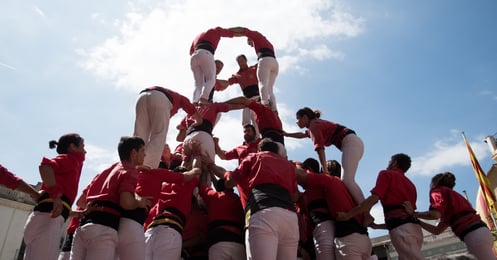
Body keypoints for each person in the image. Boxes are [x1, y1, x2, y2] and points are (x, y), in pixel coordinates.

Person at [70, 136, 151, 260]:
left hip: (83, 228)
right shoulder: (130, 172)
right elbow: (126, 202)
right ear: (134, 153)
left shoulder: (104, 172)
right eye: (142, 151)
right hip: (104, 229)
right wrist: (139, 202)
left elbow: (81, 201)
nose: (145, 155)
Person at [336, 153, 424, 260]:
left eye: (390, 161)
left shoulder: (387, 174)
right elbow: (404, 217)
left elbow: (374, 198)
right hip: (415, 230)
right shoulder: (411, 185)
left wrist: (348, 215)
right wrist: (377, 226)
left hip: (402, 231)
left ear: (394, 163)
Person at [224, 138, 299, 260]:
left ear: (260, 149)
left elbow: (230, 182)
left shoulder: (254, 157)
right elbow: (295, 196)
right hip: (289, 217)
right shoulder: (289, 166)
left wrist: (227, 176)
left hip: (263, 211)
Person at [23, 133, 86, 260]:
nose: (85, 151)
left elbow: (60, 204)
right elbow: (45, 166)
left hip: (45, 218)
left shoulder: (71, 164)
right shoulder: (71, 160)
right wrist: (56, 195)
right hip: (48, 220)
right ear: (72, 147)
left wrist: (78, 214)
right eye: (82, 146)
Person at [285, 107, 365, 205]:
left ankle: (364, 210)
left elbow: (320, 149)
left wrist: (325, 171)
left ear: (305, 117)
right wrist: (287, 134)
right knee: (346, 181)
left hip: (350, 143)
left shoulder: (314, 125)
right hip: (352, 143)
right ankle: (360, 208)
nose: (297, 122)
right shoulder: (314, 125)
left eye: (298, 118)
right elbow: (302, 134)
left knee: (347, 180)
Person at [296, 160, 371, 260]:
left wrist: (286, 161)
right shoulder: (346, 186)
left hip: (345, 237)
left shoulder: (327, 181)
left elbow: (303, 175)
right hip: (363, 238)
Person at [410, 172, 496, 259]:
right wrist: (418, 221)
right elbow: (437, 230)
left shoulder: (437, 191)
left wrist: (414, 214)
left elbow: (435, 214)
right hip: (481, 232)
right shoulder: (453, 198)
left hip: (473, 235)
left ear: (434, 183)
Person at [134, 86, 202, 169]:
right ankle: (147, 168)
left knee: (139, 136)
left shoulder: (169, 97)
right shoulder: (178, 98)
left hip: (142, 97)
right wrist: (199, 120)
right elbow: (186, 103)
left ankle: (132, 164)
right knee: (158, 135)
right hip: (161, 98)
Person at [144, 163, 202, 260]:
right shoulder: (187, 184)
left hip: (150, 232)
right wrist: (197, 153)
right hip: (170, 231)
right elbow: (197, 170)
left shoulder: (164, 188)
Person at [190, 27, 243, 104]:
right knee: (211, 79)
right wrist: (245, 33)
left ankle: (195, 101)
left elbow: (191, 52)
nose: (218, 69)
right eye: (217, 67)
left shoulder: (197, 37)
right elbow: (231, 32)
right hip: (206, 52)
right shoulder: (215, 31)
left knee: (198, 83)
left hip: (194, 57)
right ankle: (204, 99)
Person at [199, 176, 246, 260]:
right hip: (240, 245)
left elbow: (202, 186)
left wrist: (208, 171)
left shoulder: (214, 196)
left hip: (218, 243)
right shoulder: (239, 201)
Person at [233, 27, 279, 112]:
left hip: (265, 60)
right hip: (275, 63)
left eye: (250, 43)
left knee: (262, 84)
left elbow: (244, 30)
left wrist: (228, 32)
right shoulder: (268, 43)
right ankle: (274, 109)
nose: (251, 45)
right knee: (270, 89)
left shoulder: (256, 36)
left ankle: (265, 104)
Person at [299, 158, 336, 260]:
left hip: (323, 227)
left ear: (308, 169)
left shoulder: (314, 181)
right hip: (325, 228)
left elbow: (301, 174)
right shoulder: (321, 182)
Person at [226, 54, 260, 133]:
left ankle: (258, 137)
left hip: (257, 97)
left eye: (241, 60)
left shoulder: (254, 68)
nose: (240, 62)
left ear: (245, 60)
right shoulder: (237, 75)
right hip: (246, 100)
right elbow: (227, 82)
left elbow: (263, 62)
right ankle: (249, 138)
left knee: (255, 118)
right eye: (238, 61)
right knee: (245, 121)